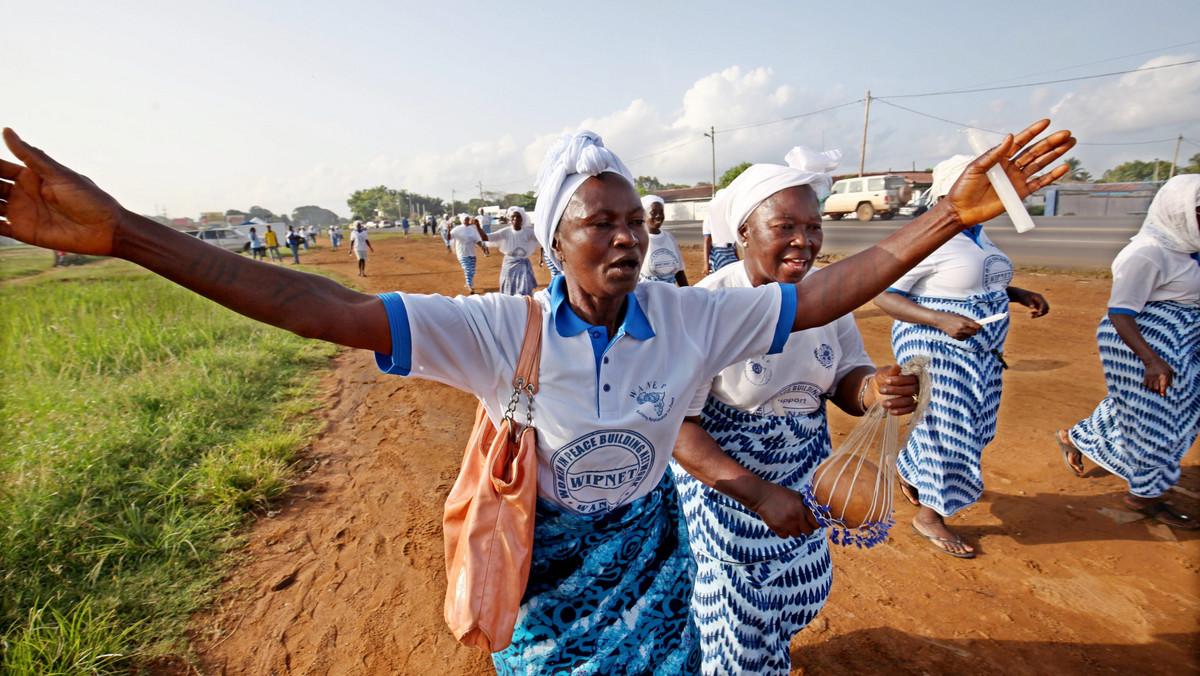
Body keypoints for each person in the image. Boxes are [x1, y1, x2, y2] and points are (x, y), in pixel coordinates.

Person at [0, 122, 1073, 675]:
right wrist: (130, 235)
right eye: (595, 221)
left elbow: (825, 292)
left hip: (650, 560)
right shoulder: (500, 330)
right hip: (548, 573)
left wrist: (941, 220)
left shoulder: (689, 315)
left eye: (632, 221)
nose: (621, 235)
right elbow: (317, 306)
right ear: (551, 240)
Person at [670, 146, 919, 675]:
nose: (803, 240)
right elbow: (678, 431)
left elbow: (846, 380)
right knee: (739, 613)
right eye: (784, 225)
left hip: (806, 476)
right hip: (728, 491)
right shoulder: (708, 306)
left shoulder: (826, 299)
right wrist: (760, 495)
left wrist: (874, 390)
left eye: (813, 225)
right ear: (742, 233)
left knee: (796, 591)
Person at [872, 154, 1052, 558]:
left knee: (974, 426)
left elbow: (964, 282)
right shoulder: (928, 237)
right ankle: (930, 516)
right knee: (951, 429)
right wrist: (940, 320)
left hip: (980, 349)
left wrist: (1016, 293)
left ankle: (911, 469)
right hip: (935, 347)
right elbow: (882, 292)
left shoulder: (977, 233)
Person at [1055, 174, 1200, 530]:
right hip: (1142, 343)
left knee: (1155, 408)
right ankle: (1144, 497)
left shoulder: (1188, 247)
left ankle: (1075, 437)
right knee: (1160, 424)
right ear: (1179, 211)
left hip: (1181, 341)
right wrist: (1151, 361)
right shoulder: (1147, 253)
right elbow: (1121, 312)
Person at [482, 205, 540, 295]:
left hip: (523, 265)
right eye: (513, 216)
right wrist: (477, 226)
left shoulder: (529, 232)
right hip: (509, 265)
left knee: (524, 291)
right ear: (510, 219)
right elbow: (486, 237)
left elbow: (542, 239)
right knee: (508, 288)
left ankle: (524, 307)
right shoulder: (505, 232)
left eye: (518, 216)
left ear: (522, 219)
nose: (515, 218)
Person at [639, 194, 688, 285]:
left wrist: (689, 294)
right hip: (646, 296)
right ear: (643, 215)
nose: (658, 216)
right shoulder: (638, 239)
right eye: (653, 212)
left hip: (671, 294)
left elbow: (679, 272)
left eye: (661, 212)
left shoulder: (669, 237)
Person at [447, 216, 489, 294]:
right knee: (467, 269)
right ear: (462, 220)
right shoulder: (458, 229)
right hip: (462, 253)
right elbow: (449, 237)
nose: (466, 221)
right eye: (465, 220)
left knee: (472, 271)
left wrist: (483, 248)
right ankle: (469, 286)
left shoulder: (472, 230)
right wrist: (449, 229)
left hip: (471, 253)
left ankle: (467, 283)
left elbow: (477, 240)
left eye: (468, 219)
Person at [702, 208, 740, 276]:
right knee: (718, 278)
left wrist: (737, 258)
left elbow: (732, 240)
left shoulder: (729, 218)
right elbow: (707, 241)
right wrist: (706, 263)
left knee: (734, 277)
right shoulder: (709, 219)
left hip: (731, 251)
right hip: (718, 252)